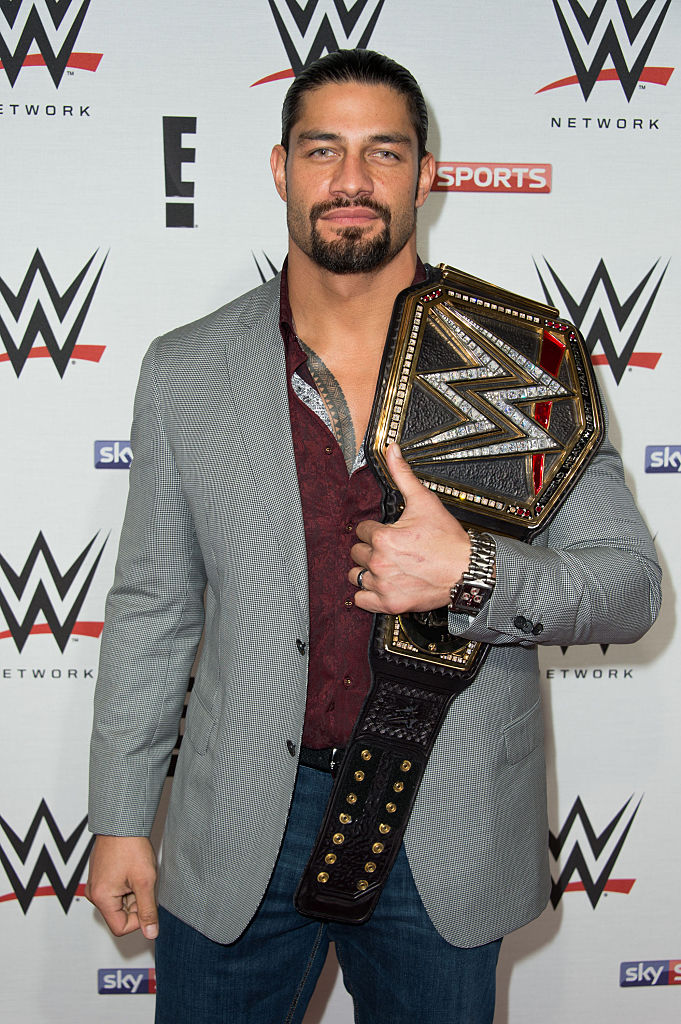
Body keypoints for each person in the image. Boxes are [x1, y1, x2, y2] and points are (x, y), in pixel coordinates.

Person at [86, 49, 661, 1024]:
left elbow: (629, 586)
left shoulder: (530, 355)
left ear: (428, 174)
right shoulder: (182, 369)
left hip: (445, 819)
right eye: (323, 151)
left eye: (383, 153)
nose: (351, 180)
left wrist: (474, 572)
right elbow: (155, 605)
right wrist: (118, 818)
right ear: (281, 170)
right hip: (239, 831)